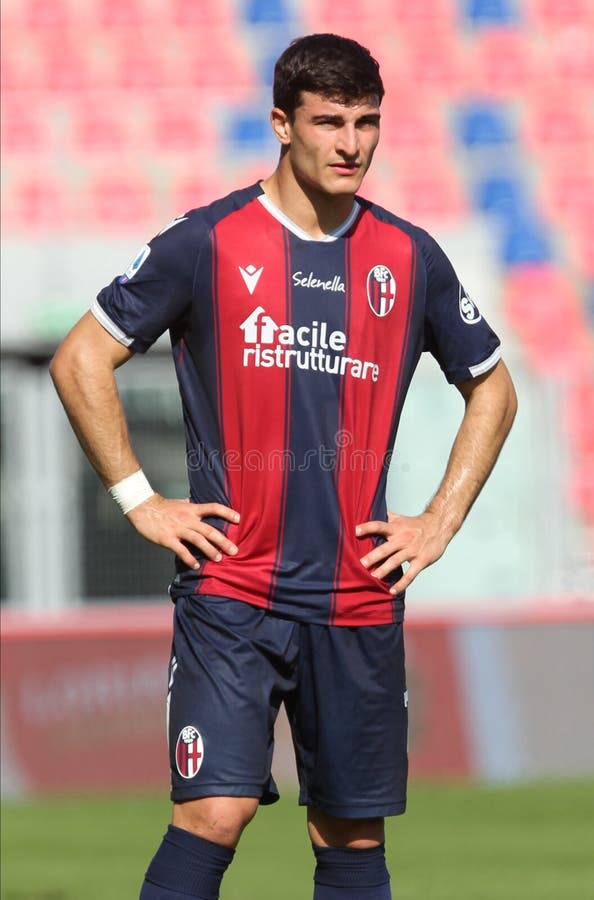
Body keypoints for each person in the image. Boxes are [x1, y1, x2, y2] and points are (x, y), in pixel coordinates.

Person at [50, 33, 517, 900]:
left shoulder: (410, 257)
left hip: (357, 591)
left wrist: (439, 519)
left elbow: (493, 388)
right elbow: (81, 359)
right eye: (330, 121)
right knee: (214, 811)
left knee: (348, 832)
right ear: (281, 124)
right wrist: (140, 501)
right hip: (233, 587)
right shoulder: (207, 242)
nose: (352, 143)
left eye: (368, 122)